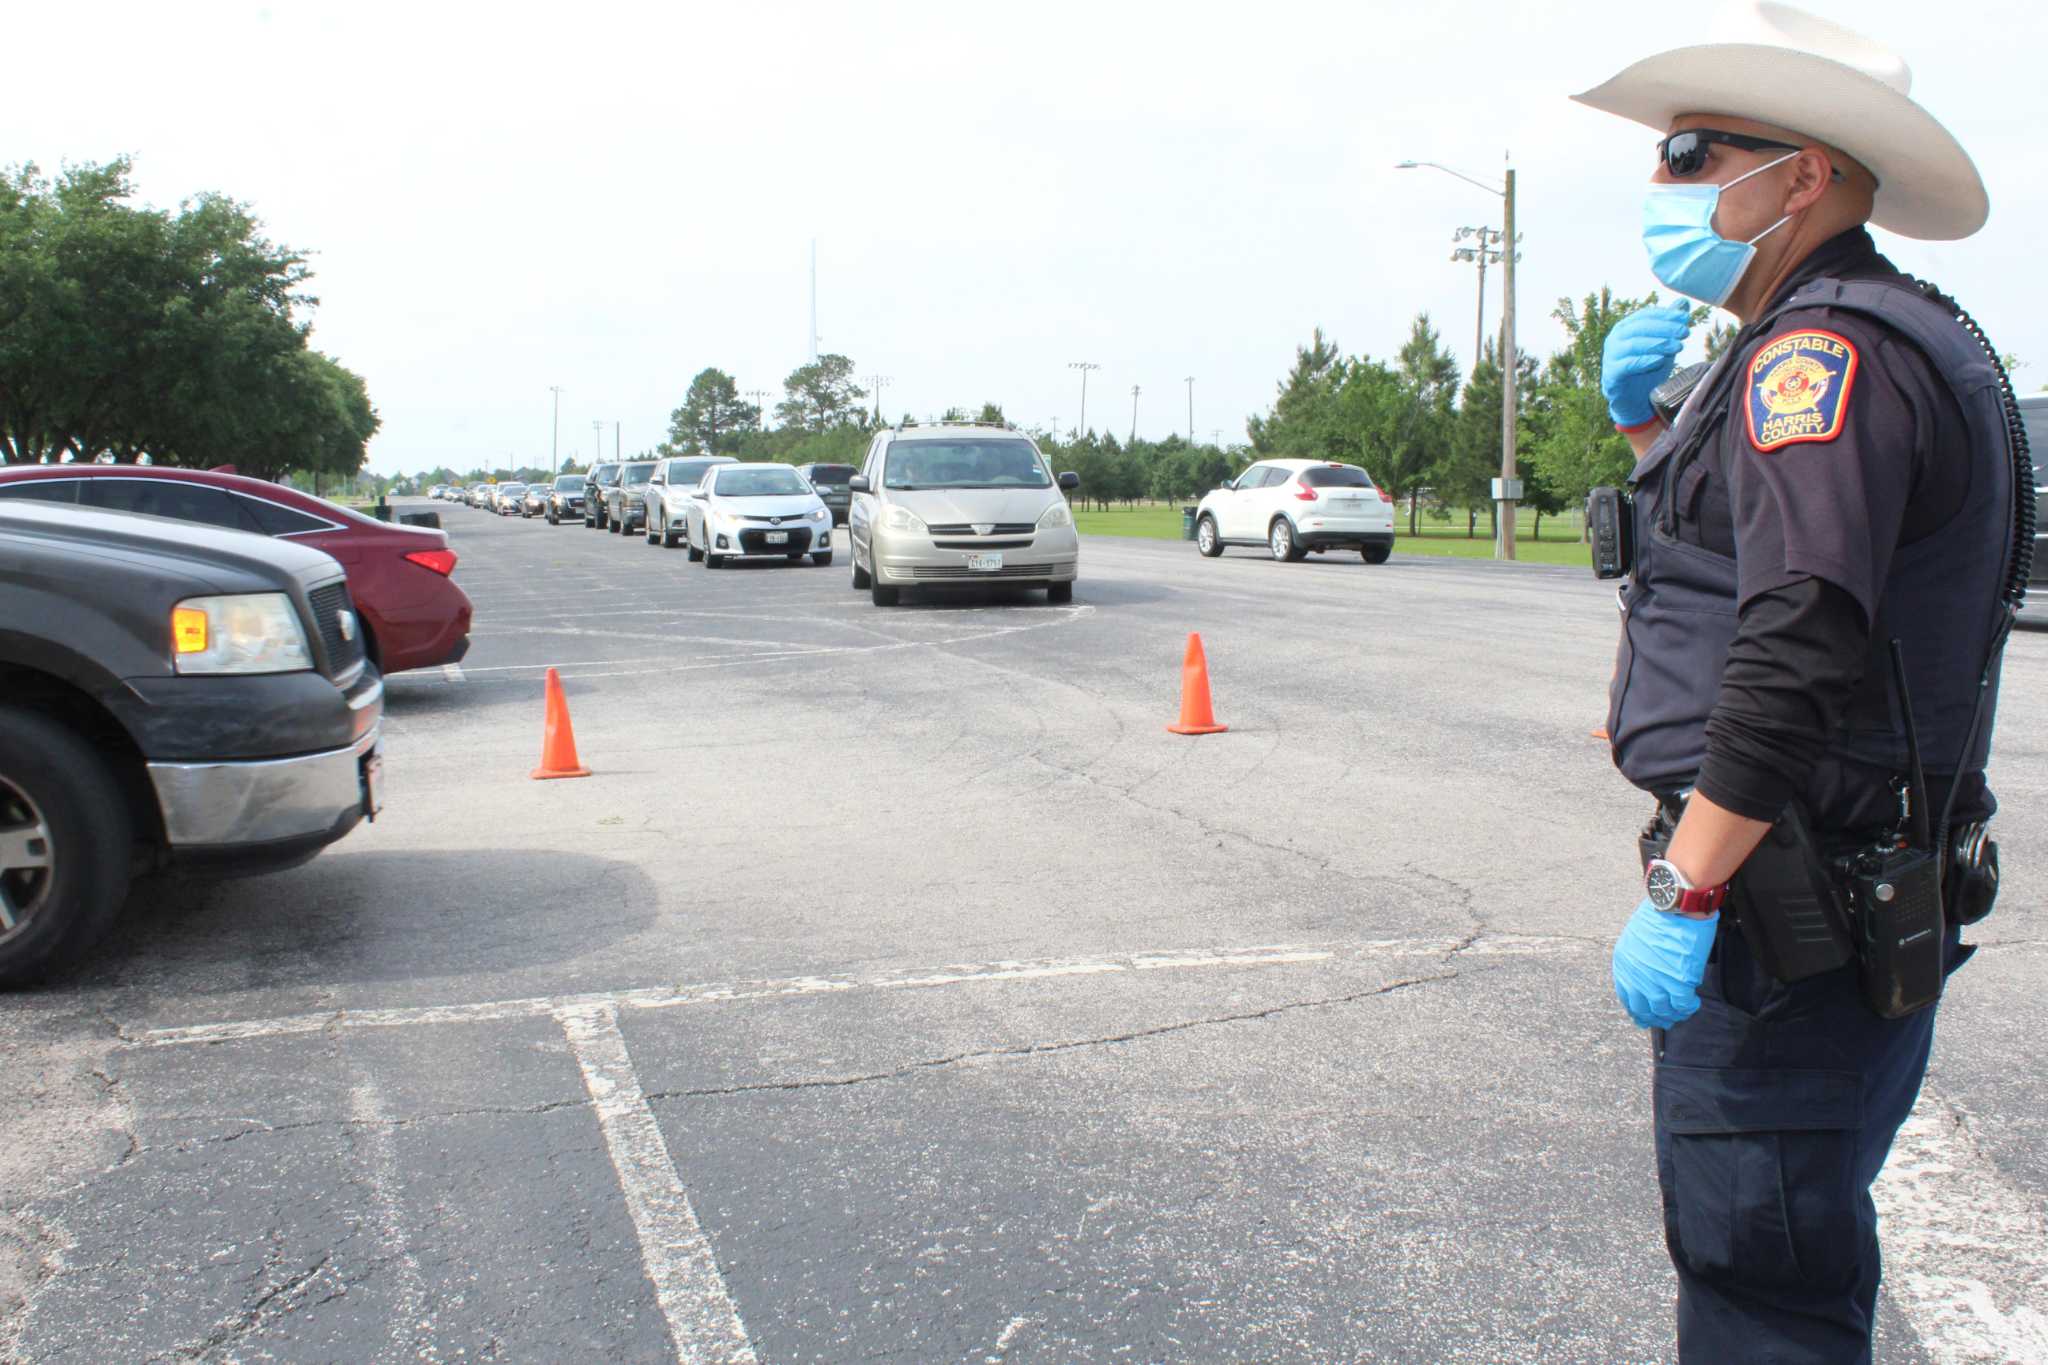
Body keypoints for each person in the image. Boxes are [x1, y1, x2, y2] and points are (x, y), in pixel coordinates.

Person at [1573, 3, 2027, 1359]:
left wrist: (1688, 883)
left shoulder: (1817, 359)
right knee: (1789, 1248)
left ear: (1806, 173)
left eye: (1696, 153)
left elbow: (1801, 638)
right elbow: (1737, 556)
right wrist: (1647, 426)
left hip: (1784, 919)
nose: (1665, 186)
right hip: (1838, 896)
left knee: (1758, 1277)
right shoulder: (1874, 334)